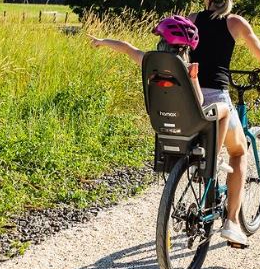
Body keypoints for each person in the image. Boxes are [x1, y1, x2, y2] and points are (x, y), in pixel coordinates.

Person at [189, 0, 260, 248]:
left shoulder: (192, 19)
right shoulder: (236, 23)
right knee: (239, 151)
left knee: (205, 146)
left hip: (191, 97)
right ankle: (232, 221)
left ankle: (201, 184)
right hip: (217, 97)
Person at [88, 15, 235, 172]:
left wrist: (101, 42)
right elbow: (199, 100)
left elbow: (127, 48)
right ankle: (214, 159)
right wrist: (194, 78)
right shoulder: (188, 68)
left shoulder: (148, 61)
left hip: (159, 119)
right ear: (186, 49)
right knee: (225, 109)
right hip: (190, 122)